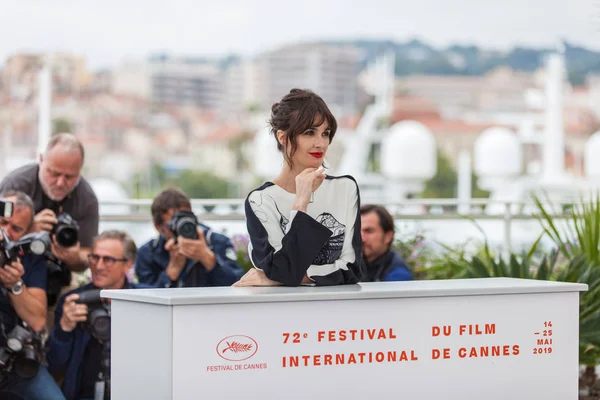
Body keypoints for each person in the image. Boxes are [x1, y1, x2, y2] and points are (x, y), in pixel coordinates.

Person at [234, 88, 363, 287]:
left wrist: (279, 279)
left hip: (338, 308)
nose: (320, 143)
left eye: (325, 133)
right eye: (309, 133)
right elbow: (283, 269)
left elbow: (351, 269)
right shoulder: (261, 201)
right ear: (283, 137)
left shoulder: (345, 188)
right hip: (282, 311)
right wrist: (301, 202)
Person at [47, 230, 146, 400]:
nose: (98, 266)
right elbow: (53, 365)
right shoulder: (73, 301)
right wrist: (64, 328)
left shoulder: (147, 300)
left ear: (128, 264)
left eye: (108, 260)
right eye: (94, 257)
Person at [0, 133, 99, 273]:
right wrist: (29, 231)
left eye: (69, 177)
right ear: (41, 160)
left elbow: (88, 253)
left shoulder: (86, 198)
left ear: (80, 172)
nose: (60, 183)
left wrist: (75, 257)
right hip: (16, 266)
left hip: (60, 273)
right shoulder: (16, 185)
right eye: (54, 173)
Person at [0, 191, 65, 399]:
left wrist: (15, 284)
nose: (6, 231)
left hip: (18, 363)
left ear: (28, 232)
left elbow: (37, 320)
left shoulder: (29, 256)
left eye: (16, 228)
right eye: (2, 222)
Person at [135, 188, 243, 288]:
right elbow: (147, 300)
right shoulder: (147, 253)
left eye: (185, 220)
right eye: (173, 224)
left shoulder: (217, 242)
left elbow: (237, 286)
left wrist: (209, 259)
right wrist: (171, 271)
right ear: (158, 227)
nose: (182, 228)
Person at [360, 204, 412, 282]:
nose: (361, 238)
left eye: (369, 231)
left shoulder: (398, 275)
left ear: (388, 236)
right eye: (356, 231)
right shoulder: (357, 264)